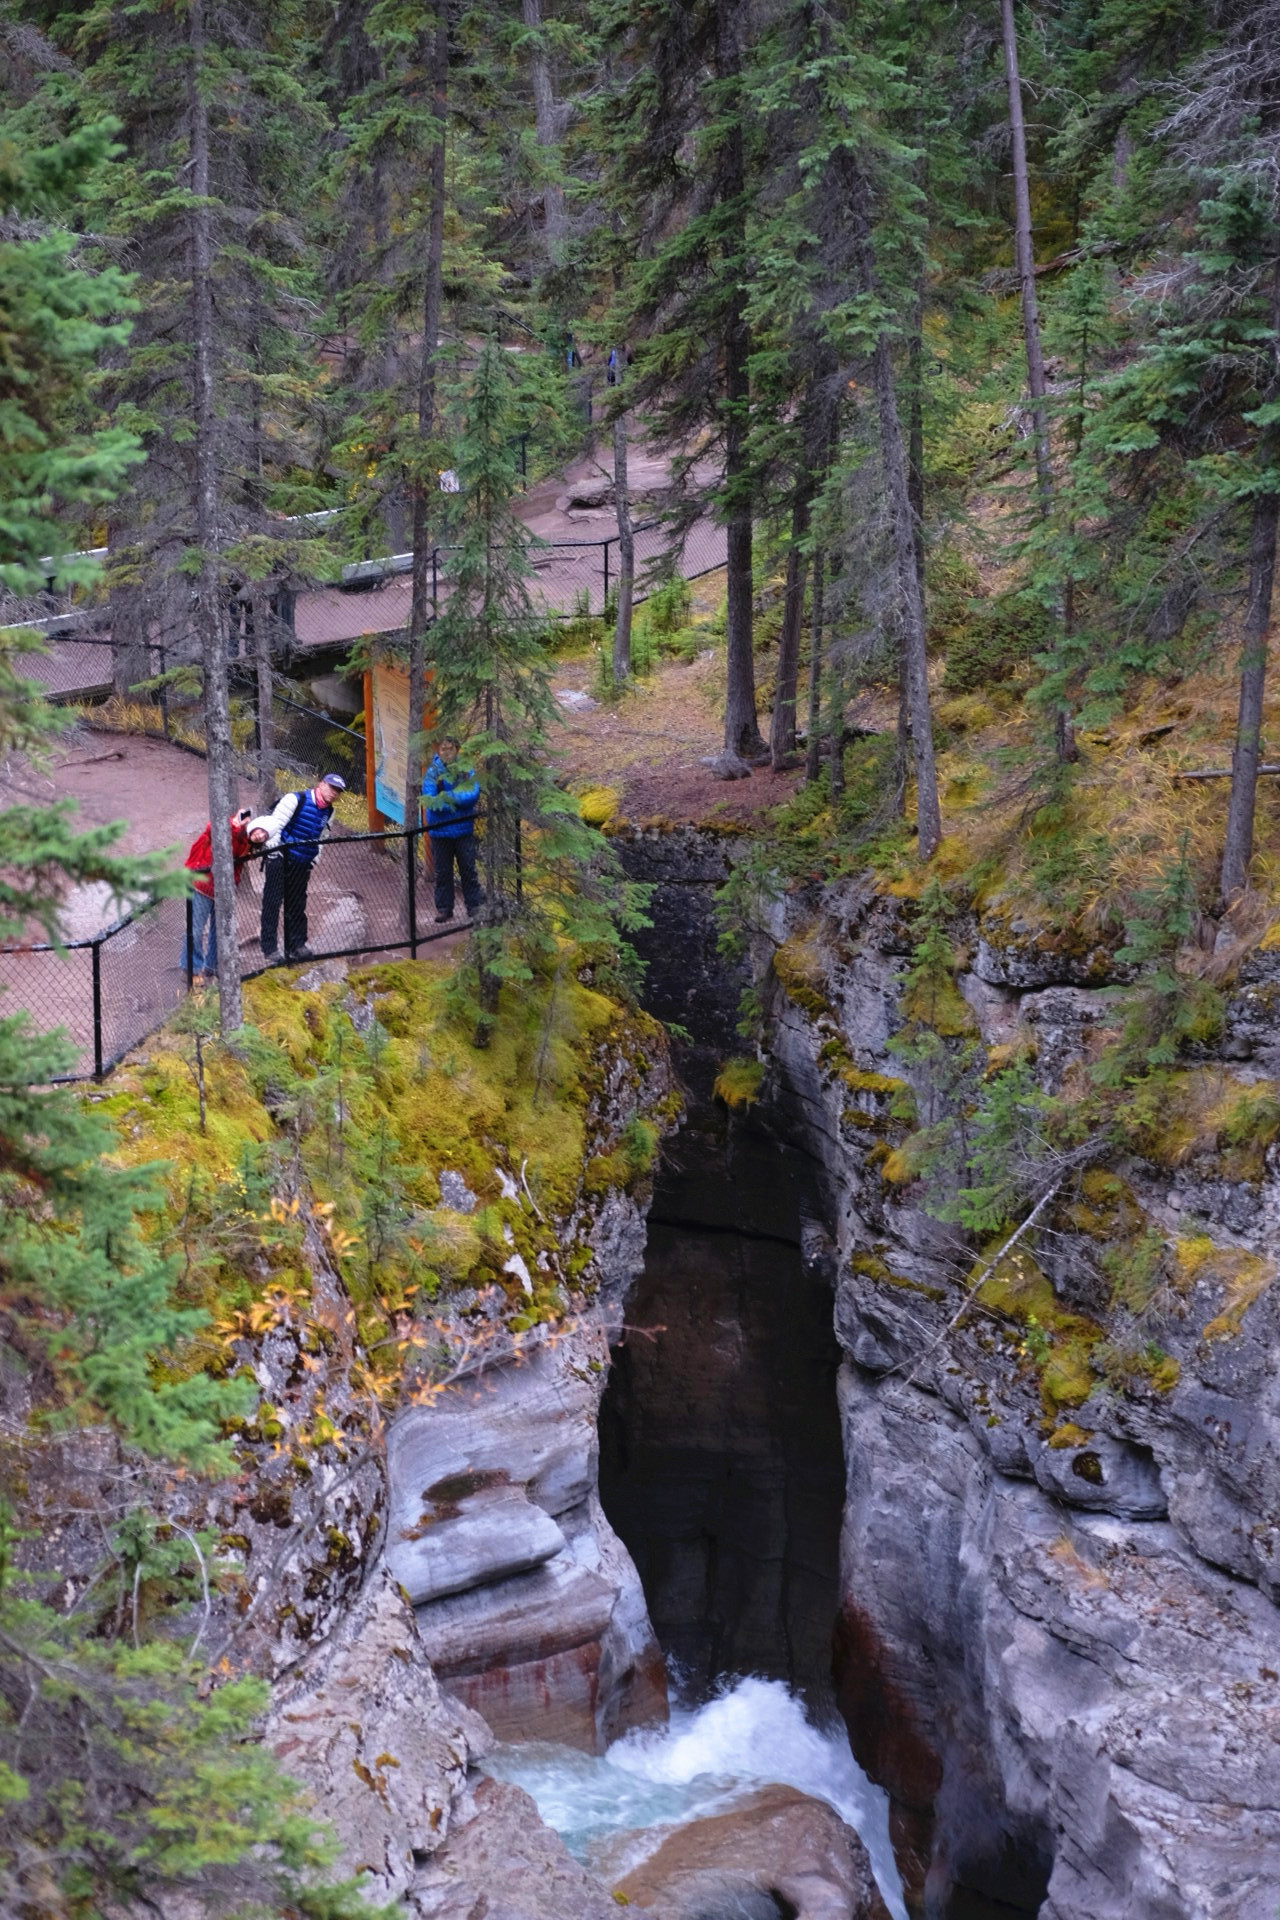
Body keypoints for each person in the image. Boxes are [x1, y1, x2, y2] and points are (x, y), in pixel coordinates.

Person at [250, 774, 347, 963]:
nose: (334, 793)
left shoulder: (329, 812)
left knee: (297, 905)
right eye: (331, 787)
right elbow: (274, 826)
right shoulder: (295, 799)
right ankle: (269, 948)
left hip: (303, 863)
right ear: (321, 784)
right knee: (272, 903)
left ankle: (296, 945)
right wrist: (274, 854)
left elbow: (322, 836)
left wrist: (314, 860)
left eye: (338, 791)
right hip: (281, 859)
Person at [182, 809, 268, 980]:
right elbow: (211, 831)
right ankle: (191, 969)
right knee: (196, 929)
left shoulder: (248, 845)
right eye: (259, 830)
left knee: (220, 930)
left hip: (224, 891)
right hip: (202, 885)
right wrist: (235, 824)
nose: (260, 835)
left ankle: (212, 966)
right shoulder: (229, 827)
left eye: (264, 834)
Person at [422, 738, 484, 923]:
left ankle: (474, 907)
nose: (447, 752)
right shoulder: (433, 773)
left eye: (451, 748)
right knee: (443, 872)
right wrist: (457, 801)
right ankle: (444, 908)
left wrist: (447, 797)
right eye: (443, 748)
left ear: (457, 749)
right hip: (440, 832)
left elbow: (472, 795)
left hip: (463, 830)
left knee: (468, 870)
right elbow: (432, 802)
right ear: (439, 750)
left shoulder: (466, 770)